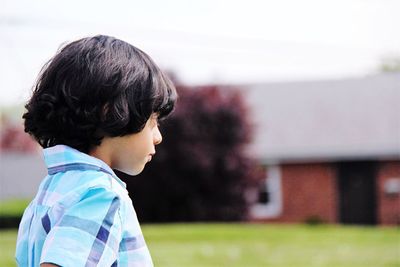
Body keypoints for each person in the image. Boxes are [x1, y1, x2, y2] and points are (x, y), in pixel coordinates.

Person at [15, 35, 177, 267]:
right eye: (152, 121)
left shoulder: (53, 188)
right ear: (109, 111)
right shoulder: (100, 194)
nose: (158, 137)